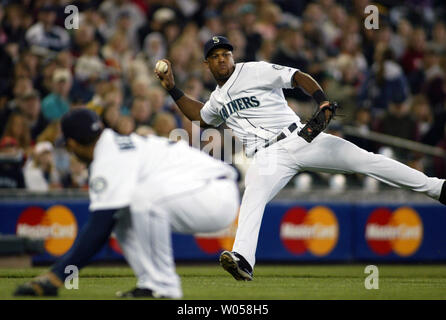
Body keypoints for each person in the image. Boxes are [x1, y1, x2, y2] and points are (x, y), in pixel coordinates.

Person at [154, 36, 446, 281]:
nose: (221, 59)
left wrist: (320, 99)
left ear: (232, 56)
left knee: (364, 160)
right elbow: (200, 117)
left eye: (225, 54)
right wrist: (171, 88)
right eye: (215, 56)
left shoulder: (254, 70)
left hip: (301, 137)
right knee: (252, 197)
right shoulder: (217, 99)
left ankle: (436, 187)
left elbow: (297, 77)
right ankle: (243, 260)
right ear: (207, 63)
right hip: (267, 157)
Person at [14, 108, 239, 298]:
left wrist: (59, 275)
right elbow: (106, 223)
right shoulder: (111, 147)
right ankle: (150, 284)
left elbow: (98, 228)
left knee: (140, 198)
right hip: (205, 191)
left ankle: (164, 287)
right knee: (124, 211)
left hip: (213, 193)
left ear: (72, 143)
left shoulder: (109, 158)